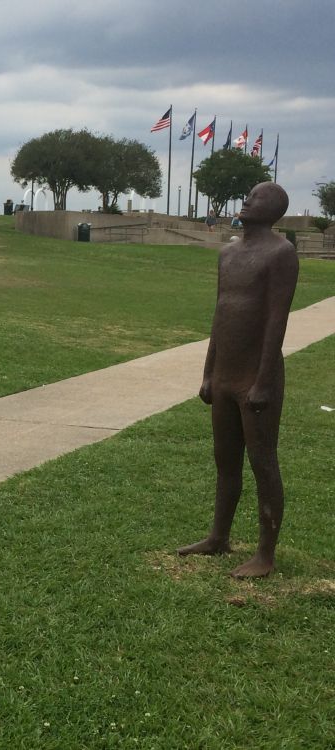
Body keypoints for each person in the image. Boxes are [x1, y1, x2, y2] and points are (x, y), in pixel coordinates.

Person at [178, 182, 299, 578]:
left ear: (274, 209)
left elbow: (276, 320)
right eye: (248, 195)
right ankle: (218, 537)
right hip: (225, 374)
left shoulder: (281, 253)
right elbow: (221, 313)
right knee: (225, 460)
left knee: (262, 461)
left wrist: (263, 381)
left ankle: (265, 554)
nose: (247, 201)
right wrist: (208, 372)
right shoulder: (227, 254)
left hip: (256, 376)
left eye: (257, 197)